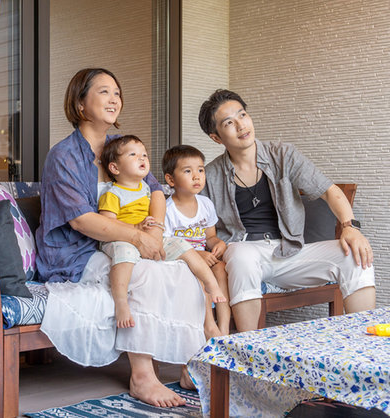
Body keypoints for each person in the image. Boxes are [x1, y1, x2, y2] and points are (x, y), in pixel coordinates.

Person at [36, 68, 206, 407]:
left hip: (123, 243)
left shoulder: (123, 147)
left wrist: (154, 232)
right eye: (103, 92)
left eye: (117, 92)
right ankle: (142, 377)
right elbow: (82, 221)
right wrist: (137, 238)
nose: (114, 99)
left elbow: (156, 192)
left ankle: (191, 364)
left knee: (181, 270)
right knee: (143, 274)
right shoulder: (64, 155)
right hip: (76, 253)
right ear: (80, 104)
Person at [198, 89, 376, 331]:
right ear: (216, 137)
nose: (241, 125)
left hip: (290, 251)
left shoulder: (282, 155)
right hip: (245, 255)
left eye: (243, 115)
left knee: (355, 256)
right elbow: (193, 219)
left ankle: (362, 348)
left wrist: (350, 227)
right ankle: (250, 351)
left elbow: (329, 190)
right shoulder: (209, 176)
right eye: (229, 122)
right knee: (240, 254)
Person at [97, 135, 226, 330]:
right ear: (115, 168)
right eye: (133, 155)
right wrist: (135, 229)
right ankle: (121, 302)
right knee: (124, 255)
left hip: (149, 237)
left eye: (144, 155)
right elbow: (107, 224)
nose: (142, 158)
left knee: (181, 245)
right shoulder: (112, 194)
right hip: (121, 238)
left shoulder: (147, 191)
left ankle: (211, 285)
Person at [162, 144, 231, 336]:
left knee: (221, 270)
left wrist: (217, 243)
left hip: (204, 258)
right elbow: (167, 246)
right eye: (187, 171)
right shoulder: (167, 209)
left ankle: (224, 331)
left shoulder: (206, 204)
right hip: (182, 262)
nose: (197, 176)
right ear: (171, 179)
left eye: (200, 170)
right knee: (200, 279)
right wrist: (198, 255)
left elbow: (209, 236)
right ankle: (209, 326)